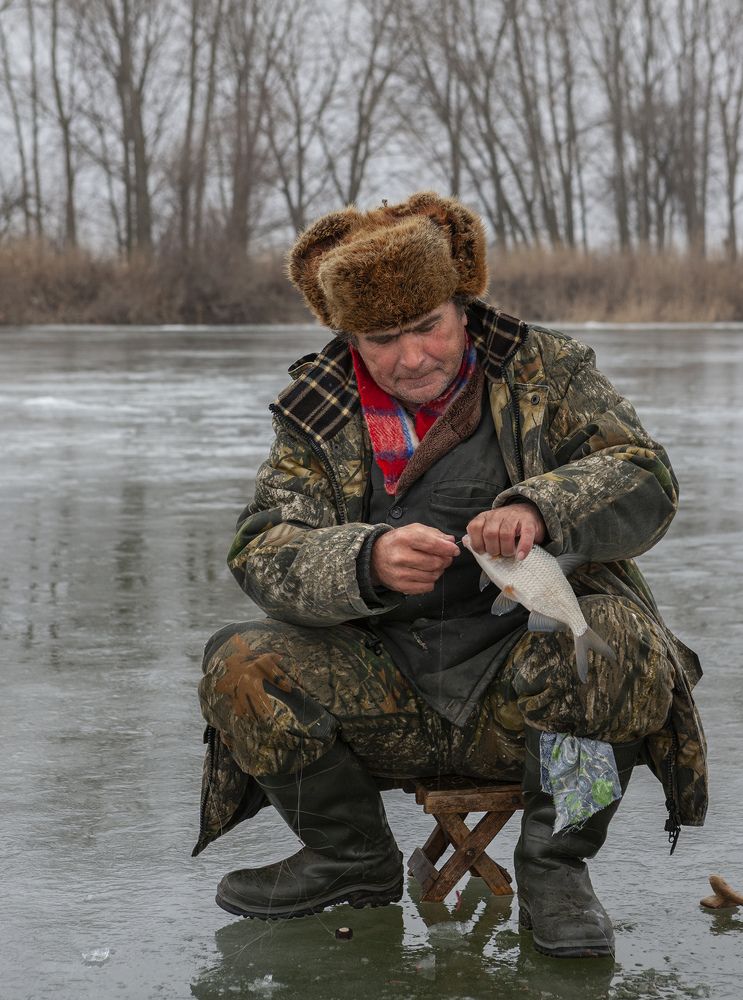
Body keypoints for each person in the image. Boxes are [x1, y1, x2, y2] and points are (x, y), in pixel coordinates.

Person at [193, 192, 707, 959]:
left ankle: (557, 868)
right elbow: (263, 548)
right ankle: (349, 857)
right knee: (240, 662)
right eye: (381, 338)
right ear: (350, 338)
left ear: (461, 307)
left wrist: (542, 505)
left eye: (428, 326)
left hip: (526, 696)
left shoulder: (546, 371)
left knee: (620, 642)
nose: (411, 357)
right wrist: (363, 561)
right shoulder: (317, 408)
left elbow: (645, 477)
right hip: (385, 695)